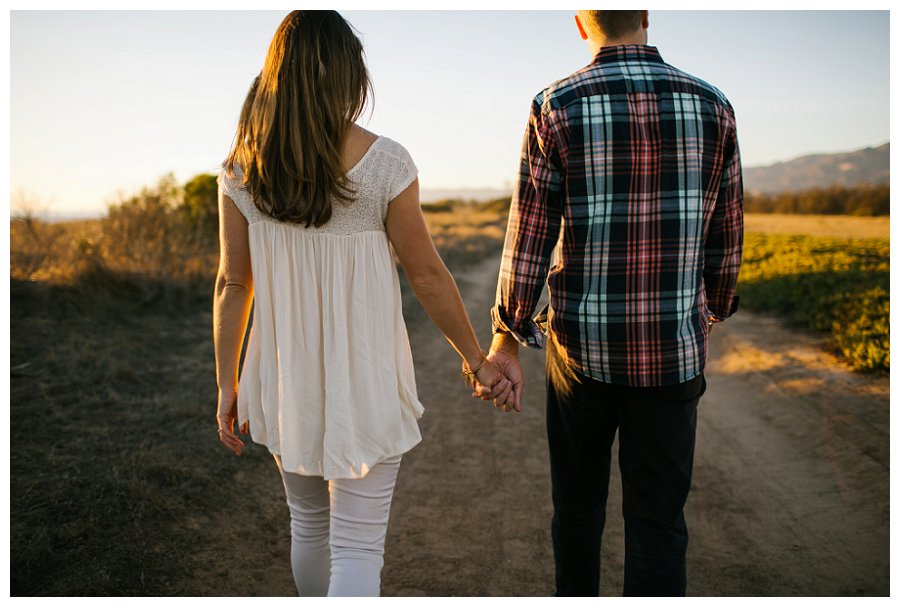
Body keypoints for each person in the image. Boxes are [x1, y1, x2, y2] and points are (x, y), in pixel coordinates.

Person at [212, 11, 512, 597]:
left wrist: (228, 384)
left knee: (309, 528)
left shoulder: (241, 167)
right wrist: (477, 359)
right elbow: (424, 272)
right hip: (366, 375)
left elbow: (233, 284)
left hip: (281, 377)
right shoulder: (385, 161)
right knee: (356, 547)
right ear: (350, 73)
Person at [478, 10, 743, 597]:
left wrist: (507, 334)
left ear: (581, 24)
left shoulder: (556, 104)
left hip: (581, 354)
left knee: (577, 510)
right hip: (674, 353)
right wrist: (713, 307)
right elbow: (728, 225)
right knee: (658, 523)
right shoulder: (713, 103)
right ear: (645, 16)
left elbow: (530, 232)